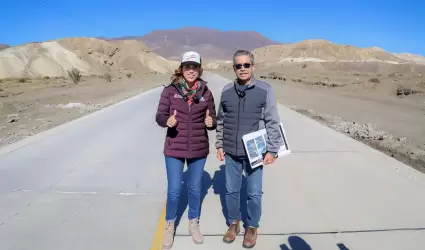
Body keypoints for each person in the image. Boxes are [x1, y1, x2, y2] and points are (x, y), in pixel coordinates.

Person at [215, 49, 283, 248]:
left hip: (255, 151)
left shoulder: (265, 89)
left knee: (253, 192)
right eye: (238, 65)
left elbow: (272, 121)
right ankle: (234, 223)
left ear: (253, 66)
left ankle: (252, 227)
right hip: (231, 151)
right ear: (234, 68)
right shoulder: (227, 91)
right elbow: (221, 120)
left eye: (246, 65)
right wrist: (219, 144)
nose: (242, 69)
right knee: (231, 190)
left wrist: (272, 150)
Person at [155, 51, 217, 249]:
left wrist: (211, 122)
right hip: (174, 147)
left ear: (199, 69)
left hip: (198, 148)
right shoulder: (169, 91)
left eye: (195, 67)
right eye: (187, 67)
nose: (191, 71)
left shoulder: (206, 92)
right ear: (181, 69)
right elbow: (159, 116)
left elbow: (214, 118)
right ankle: (170, 225)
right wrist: (167, 121)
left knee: (195, 188)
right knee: (174, 190)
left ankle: (193, 222)